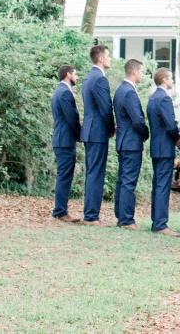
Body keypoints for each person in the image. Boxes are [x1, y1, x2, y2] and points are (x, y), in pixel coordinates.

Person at [113, 58, 149, 229]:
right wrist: (146, 133)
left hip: (123, 140)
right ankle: (126, 219)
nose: (142, 75)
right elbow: (137, 120)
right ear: (134, 71)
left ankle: (121, 216)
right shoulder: (128, 92)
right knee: (128, 181)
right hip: (131, 142)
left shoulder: (120, 90)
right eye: (141, 71)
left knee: (122, 180)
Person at [81, 43, 114, 225]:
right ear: (100, 58)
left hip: (89, 130)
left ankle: (90, 213)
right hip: (97, 131)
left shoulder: (88, 77)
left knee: (92, 172)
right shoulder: (100, 79)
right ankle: (91, 216)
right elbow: (105, 108)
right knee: (96, 173)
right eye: (108, 56)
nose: (110, 58)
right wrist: (111, 128)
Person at [147, 67, 180, 235]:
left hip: (155, 146)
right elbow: (170, 124)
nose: (173, 81)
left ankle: (156, 220)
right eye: (171, 78)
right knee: (162, 185)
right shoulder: (164, 99)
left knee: (157, 185)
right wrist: (178, 138)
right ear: (163, 80)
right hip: (165, 147)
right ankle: (161, 224)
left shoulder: (152, 98)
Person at [50, 65, 81, 222]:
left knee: (64, 174)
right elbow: (72, 117)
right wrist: (81, 134)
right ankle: (61, 211)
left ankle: (60, 209)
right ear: (68, 75)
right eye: (75, 74)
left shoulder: (59, 91)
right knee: (65, 175)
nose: (77, 77)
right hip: (64, 140)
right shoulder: (64, 93)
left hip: (62, 138)